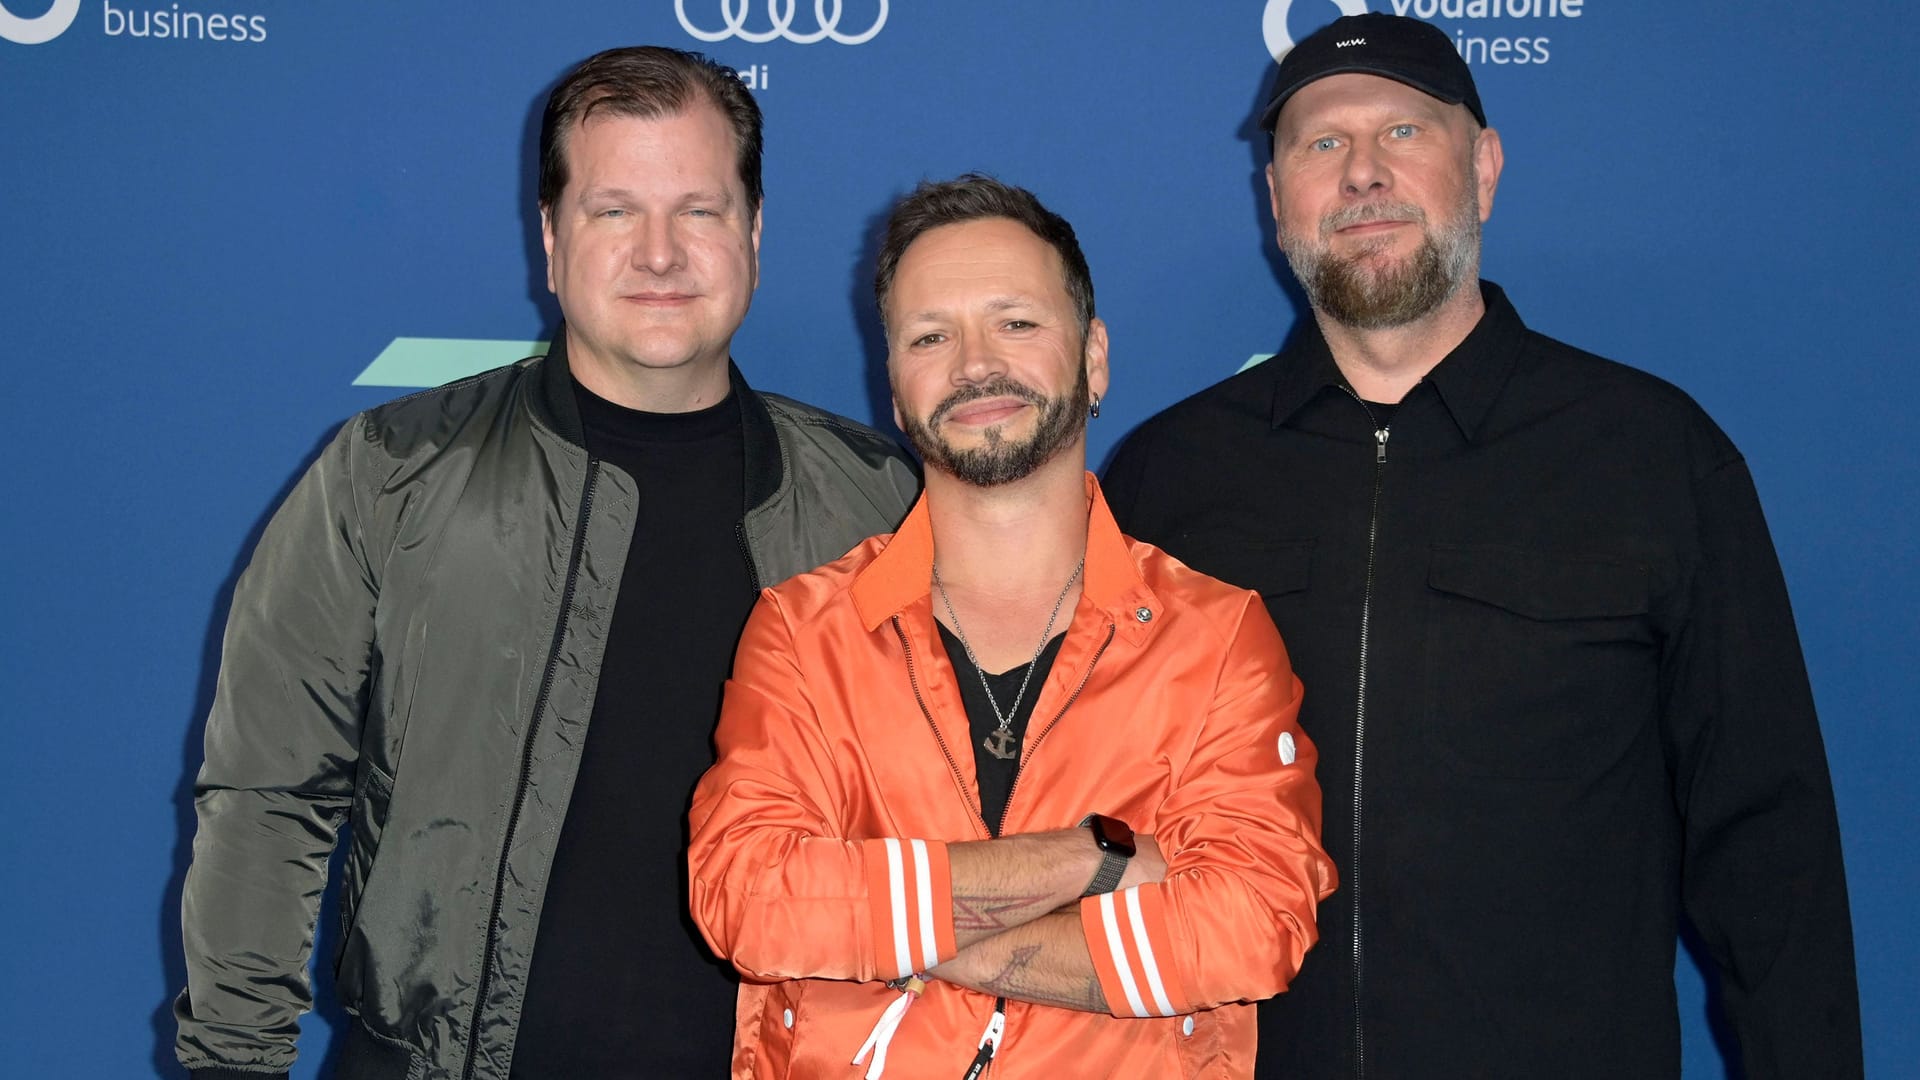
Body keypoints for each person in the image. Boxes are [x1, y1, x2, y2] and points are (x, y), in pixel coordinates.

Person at [1103, 13, 1862, 1080]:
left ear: (1486, 166)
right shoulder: (1169, 476)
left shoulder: (1649, 454)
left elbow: (1768, 848)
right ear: (1277, 200)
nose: (1363, 173)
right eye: (1321, 144)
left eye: (1405, 132)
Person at [173, 46, 918, 1080]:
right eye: (615, 211)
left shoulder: (879, 501)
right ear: (552, 239)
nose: (659, 255)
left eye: (698, 211)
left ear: (753, 232)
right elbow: (268, 795)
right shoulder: (388, 475)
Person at [686, 174, 1336, 1079]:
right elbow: (750, 899)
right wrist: (1092, 859)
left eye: (1016, 323)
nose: (973, 364)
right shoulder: (802, 631)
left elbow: (1253, 924)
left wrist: (883, 927)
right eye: (930, 336)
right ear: (896, 386)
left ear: (1094, 357)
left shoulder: (1216, 636)